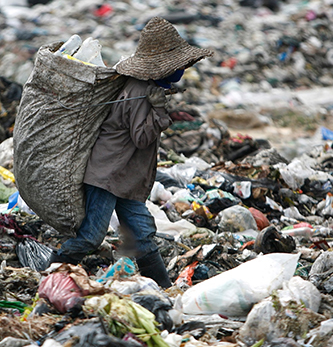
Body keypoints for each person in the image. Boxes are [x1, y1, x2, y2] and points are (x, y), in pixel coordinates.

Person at [49, 17, 213, 288]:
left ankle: (165, 289)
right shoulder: (139, 91)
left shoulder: (147, 88)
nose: (182, 70)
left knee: (143, 235)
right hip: (109, 176)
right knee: (91, 236)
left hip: (124, 178)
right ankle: (49, 270)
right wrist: (160, 111)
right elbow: (142, 137)